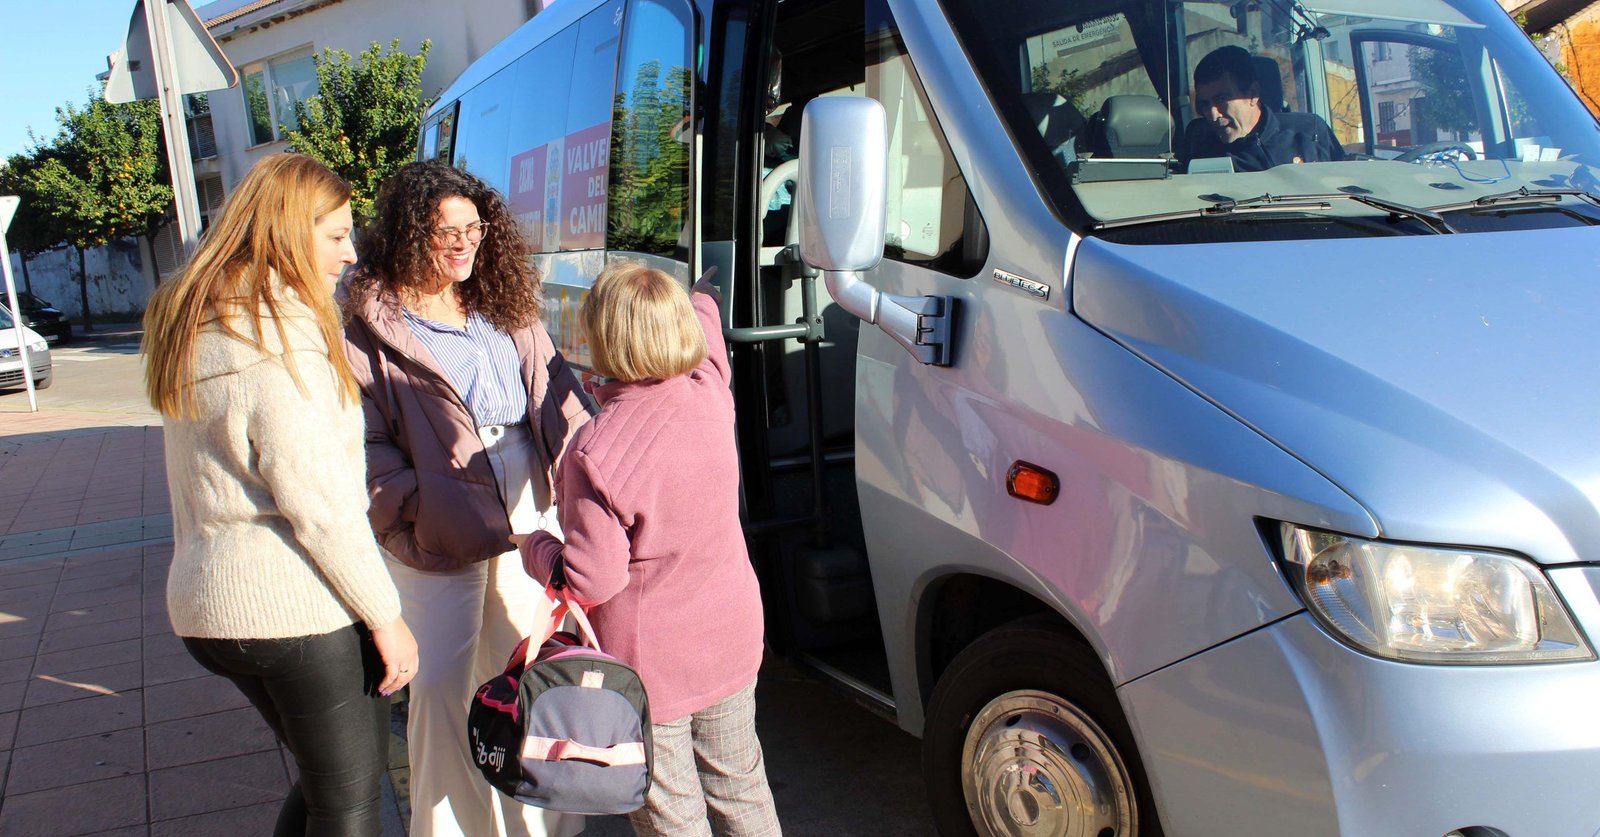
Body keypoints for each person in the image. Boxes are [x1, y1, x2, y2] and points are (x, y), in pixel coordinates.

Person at [142, 152, 419, 836]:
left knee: (332, 786)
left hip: (209, 608)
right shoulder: (281, 337)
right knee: (351, 806)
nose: (349, 253)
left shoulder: (203, 320)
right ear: (288, 232)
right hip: (291, 607)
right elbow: (321, 505)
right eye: (334, 235)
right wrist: (386, 617)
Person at [341, 160, 591, 837]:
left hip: (528, 505)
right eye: (442, 230)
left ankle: (540, 827)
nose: (462, 244)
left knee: (527, 679)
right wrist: (415, 507)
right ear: (406, 232)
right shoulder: (372, 317)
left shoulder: (503, 299)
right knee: (445, 696)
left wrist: (582, 470)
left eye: (473, 228)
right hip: (439, 519)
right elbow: (361, 438)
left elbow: (554, 388)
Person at [519, 263, 782, 837]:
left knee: (672, 813)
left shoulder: (595, 448)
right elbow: (709, 326)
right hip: (732, 637)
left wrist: (534, 547)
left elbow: (592, 579)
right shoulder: (709, 390)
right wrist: (706, 292)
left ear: (605, 340)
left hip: (652, 668)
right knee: (742, 785)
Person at [1181, 45, 1346, 171]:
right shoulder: (1199, 146)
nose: (1213, 114)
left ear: (1253, 94)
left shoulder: (1310, 131)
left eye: (1222, 99)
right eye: (1205, 103)